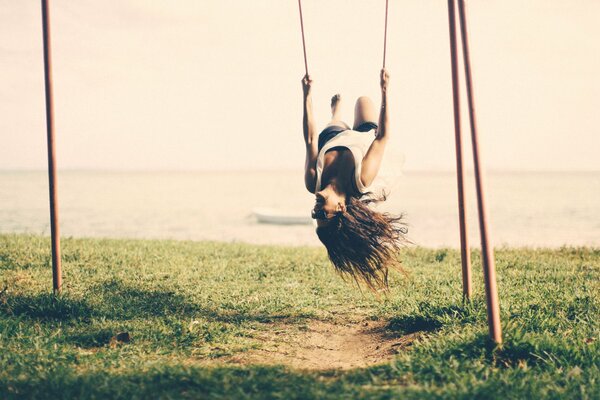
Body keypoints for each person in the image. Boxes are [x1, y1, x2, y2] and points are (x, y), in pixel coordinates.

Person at [302, 69, 407, 290]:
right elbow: (382, 138)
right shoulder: (360, 179)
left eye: (314, 214)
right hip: (362, 139)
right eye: (322, 214)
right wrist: (385, 90)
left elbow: (310, 138)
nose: (315, 208)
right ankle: (340, 115)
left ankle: (336, 114)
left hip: (333, 139)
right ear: (340, 207)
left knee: (331, 127)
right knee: (364, 101)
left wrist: (307, 95)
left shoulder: (313, 181)